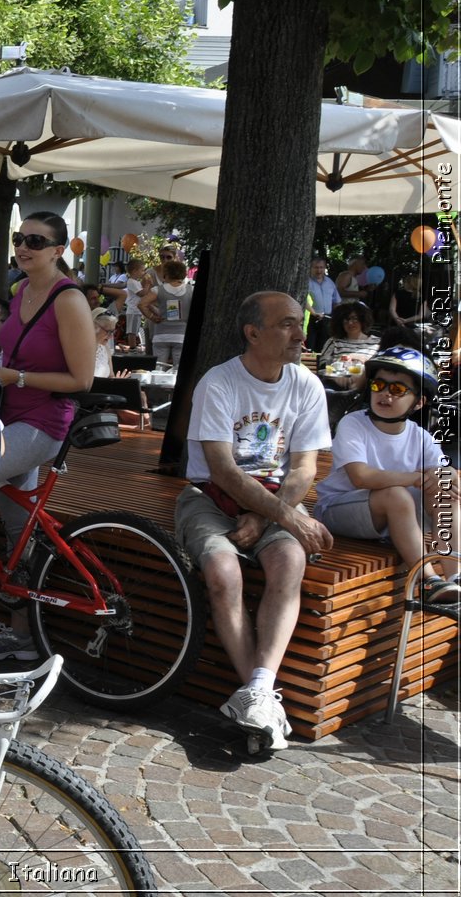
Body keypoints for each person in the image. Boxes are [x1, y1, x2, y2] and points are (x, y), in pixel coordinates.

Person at [178, 291, 333, 750]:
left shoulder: (307, 384)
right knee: (223, 573)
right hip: (208, 497)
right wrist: (285, 516)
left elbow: (304, 468)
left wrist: (268, 520)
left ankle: (257, 694)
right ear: (253, 333)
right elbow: (221, 470)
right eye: (287, 324)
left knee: (289, 563)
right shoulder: (219, 382)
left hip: (273, 499)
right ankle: (262, 698)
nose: (301, 334)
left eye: (299, 323)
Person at [0, 212, 97, 663]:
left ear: (59, 250)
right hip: (5, 419)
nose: (24, 247)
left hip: (43, 425)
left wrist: (16, 376)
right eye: (20, 239)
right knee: (17, 531)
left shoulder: (68, 300)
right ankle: (21, 633)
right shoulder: (21, 290)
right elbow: (9, 350)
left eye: (36, 241)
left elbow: (82, 379)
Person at [311, 346, 457, 605]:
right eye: (379, 385)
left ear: (419, 402)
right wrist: (414, 477)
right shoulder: (354, 424)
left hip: (395, 515)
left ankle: (455, 575)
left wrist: (441, 474)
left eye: (398, 389)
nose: (386, 394)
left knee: (445, 491)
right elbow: (361, 477)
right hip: (339, 510)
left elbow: (449, 473)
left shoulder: (419, 436)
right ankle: (428, 580)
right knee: (396, 495)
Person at [140, 259, 193, 368]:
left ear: (166, 274)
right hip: (182, 335)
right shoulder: (191, 290)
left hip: (161, 335)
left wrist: (152, 317)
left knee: (159, 369)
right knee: (179, 370)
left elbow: (141, 304)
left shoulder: (158, 290)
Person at [318, 301, 379, 384]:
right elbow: (323, 365)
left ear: (362, 320)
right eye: (346, 319)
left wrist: (356, 357)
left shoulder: (377, 342)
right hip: (337, 384)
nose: (350, 323)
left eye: (354, 319)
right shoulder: (334, 341)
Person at [305, 256, 340, 353]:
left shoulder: (330, 282)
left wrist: (336, 316)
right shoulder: (306, 282)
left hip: (328, 318)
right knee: (311, 348)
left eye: (321, 267)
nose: (319, 270)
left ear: (325, 268)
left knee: (325, 348)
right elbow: (303, 300)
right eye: (316, 267)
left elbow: (336, 301)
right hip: (313, 318)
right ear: (311, 268)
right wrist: (313, 313)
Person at [91, 307, 118, 377]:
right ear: (94, 326)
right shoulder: (79, 349)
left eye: (113, 332)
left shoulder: (105, 348)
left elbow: (111, 376)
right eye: (108, 332)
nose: (111, 337)